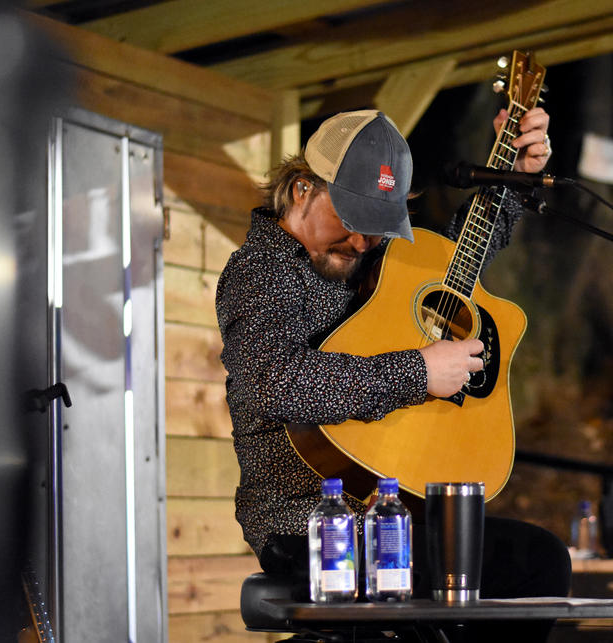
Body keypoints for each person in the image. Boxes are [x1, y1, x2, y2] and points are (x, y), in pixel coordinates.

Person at [216, 108, 570, 638]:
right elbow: (276, 383)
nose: (362, 242)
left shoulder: (368, 259)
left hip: (398, 508)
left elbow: (455, 266)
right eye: (351, 220)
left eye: (378, 228)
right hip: (310, 520)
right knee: (520, 568)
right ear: (301, 190)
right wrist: (417, 371)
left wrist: (510, 178)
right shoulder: (260, 272)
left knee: (535, 559)